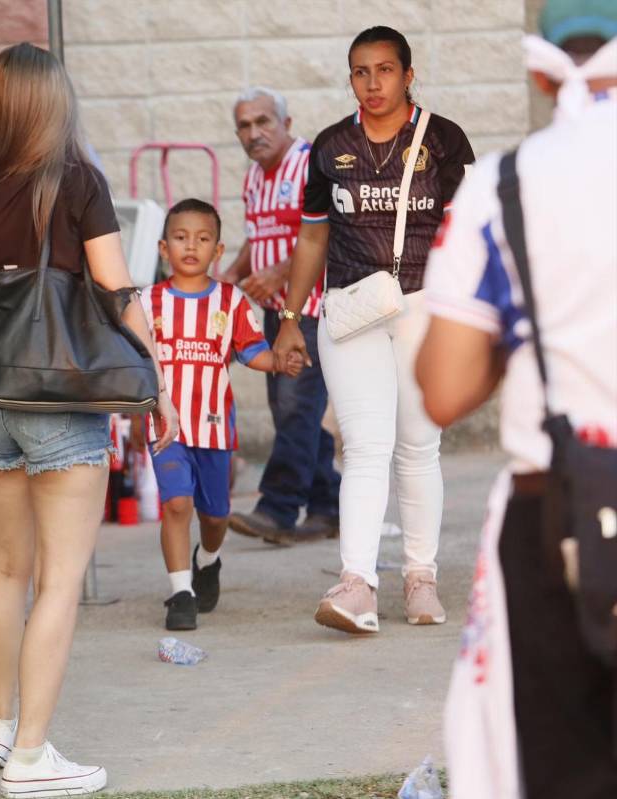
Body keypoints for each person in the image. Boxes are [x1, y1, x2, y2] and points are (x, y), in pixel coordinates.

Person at [0, 43, 179, 797]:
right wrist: (158, 382)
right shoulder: (78, 181)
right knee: (58, 580)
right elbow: (115, 290)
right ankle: (31, 754)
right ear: (56, 103)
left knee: (6, 568)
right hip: (55, 400)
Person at [416, 3, 617, 795]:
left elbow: (443, 389)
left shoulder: (500, 189)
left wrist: (523, 325)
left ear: (539, 68)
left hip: (561, 516)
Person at [272, 26, 475, 635]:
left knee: (417, 445)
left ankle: (421, 577)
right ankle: (357, 583)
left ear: (408, 75)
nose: (373, 82)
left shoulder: (444, 140)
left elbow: (466, 237)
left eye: (385, 70)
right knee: (364, 445)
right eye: (361, 71)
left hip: (424, 309)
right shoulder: (331, 146)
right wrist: (291, 319)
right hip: (352, 309)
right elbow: (312, 236)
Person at [148, 199, 300, 631]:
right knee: (176, 503)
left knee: (214, 516)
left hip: (214, 425)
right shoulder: (148, 302)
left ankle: (208, 559)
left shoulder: (230, 301)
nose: (190, 246)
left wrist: (279, 362)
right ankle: (181, 592)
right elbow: (133, 355)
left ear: (218, 251)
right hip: (167, 426)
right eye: (180, 238)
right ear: (163, 248)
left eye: (202, 239)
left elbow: (251, 351)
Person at [221, 87, 340, 545]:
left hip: (310, 309)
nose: (255, 133)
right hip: (275, 313)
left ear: (287, 125)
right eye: (245, 126)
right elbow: (260, 234)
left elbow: (327, 233)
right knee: (294, 412)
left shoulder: (312, 164)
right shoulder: (254, 177)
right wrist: (234, 273)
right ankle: (329, 505)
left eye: (263, 121)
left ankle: (278, 508)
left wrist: (279, 272)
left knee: (295, 410)